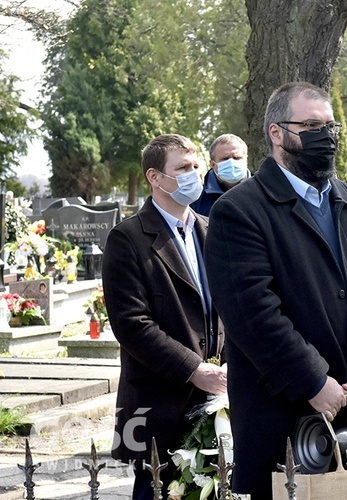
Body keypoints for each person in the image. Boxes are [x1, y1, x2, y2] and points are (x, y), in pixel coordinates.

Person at [204, 82, 347, 499]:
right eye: (312, 125)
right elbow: (252, 314)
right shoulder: (239, 211)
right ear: (276, 133)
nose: (326, 136)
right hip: (283, 417)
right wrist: (313, 380)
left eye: (331, 126)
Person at [102, 134, 227, 499]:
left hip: (218, 398)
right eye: (183, 168)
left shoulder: (211, 230)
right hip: (161, 403)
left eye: (197, 166)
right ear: (155, 178)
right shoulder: (127, 239)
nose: (195, 175)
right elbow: (131, 324)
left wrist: (228, 368)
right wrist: (194, 369)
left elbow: (229, 310)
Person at [191, 133, 250, 216]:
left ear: (246, 161)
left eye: (237, 158)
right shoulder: (197, 198)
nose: (231, 163)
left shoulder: (263, 190)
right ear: (212, 164)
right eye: (225, 159)